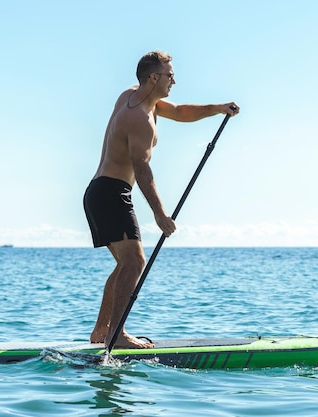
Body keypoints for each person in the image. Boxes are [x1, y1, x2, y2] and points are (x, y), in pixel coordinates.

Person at [83, 50, 240, 349]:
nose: (174, 81)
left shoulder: (136, 97)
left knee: (124, 266)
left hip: (98, 192)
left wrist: (217, 108)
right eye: (170, 75)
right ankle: (118, 336)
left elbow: (180, 111)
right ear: (153, 77)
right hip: (112, 192)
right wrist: (160, 214)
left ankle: (102, 332)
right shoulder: (138, 118)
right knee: (135, 260)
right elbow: (141, 168)